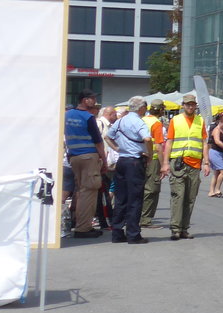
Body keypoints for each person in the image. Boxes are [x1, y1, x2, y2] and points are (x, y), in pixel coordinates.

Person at [161, 93, 209, 240]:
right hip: (178, 163)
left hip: (195, 164)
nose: (190, 107)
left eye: (192, 104)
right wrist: (165, 163)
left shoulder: (200, 121)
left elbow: (204, 143)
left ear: (195, 106)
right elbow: (169, 142)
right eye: (188, 104)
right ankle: (175, 229)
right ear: (183, 106)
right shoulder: (175, 120)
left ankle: (184, 229)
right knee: (178, 196)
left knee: (190, 198)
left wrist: (206, 163)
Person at [106, 96, 151, 244]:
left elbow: (107, 137)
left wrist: (117, 149)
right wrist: (149, 154)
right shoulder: (139, 122)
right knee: (135, 198)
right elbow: (147, 139)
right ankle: (133, 234)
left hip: (122, 160)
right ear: (141, 108)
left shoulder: (120, 121)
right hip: (134, 162)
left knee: (121, 198)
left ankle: (117, 232)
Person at [63, 90, 108, 238]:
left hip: (73, 156)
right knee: (89, 192)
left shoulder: (67, 115)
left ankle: (78, 222)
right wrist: (104, 161)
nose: (95, 101)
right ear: (85, 100)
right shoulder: (88, 117)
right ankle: (83, 228)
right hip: (88, 156)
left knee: (81, 191)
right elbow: (98, 142)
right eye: (92, 98)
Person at [139, 104, 168, 229]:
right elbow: (158, 146)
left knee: (140, 188)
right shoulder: (156, 123)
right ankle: (145, 219)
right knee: (152, 189)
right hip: (153, 159)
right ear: (161, 110)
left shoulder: (142, 119)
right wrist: (163, 165)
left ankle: (136, 216)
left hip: (139, 157)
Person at [207, 110, 223, 197]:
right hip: (215, 152)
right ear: (220, 122)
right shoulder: (216, 130)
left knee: (216, 173)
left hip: (221, 153)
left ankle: (211, 191)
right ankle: (217, 189)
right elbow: (217, 141)